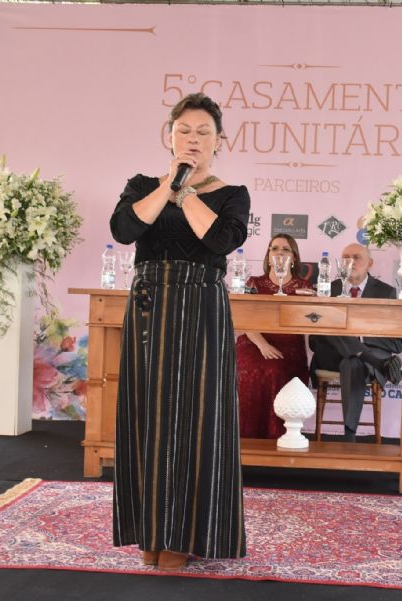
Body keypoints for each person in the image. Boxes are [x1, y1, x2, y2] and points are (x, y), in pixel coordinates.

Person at [109, 93, 248, 570]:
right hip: (149, 309)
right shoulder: (142, 185)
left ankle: (184, 536)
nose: (192, 139)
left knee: (194, 418)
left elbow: (220, 240)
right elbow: (125, 230)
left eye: (203, 132)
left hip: (200, 310)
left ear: (219, 141)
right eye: (184, 130)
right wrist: (169, 184)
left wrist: (187, 193)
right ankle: (149, 531)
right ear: (168, 136)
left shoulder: (232, 194)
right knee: (147, 417)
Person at [308, 243, 402, 443]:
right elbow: (314, 339)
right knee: (332, 324)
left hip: (363, 362)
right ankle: (377, 363)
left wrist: (361, 340)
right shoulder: (327, 289)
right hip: (331, 356)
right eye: (346, 257)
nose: (350, 262)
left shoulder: (386, 292)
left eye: (356, 257)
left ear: (370, 263)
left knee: (352, 362)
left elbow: (396, 343)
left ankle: (349, 435)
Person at [236, 234, 312, 439]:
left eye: (286, 249)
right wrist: (262, 345)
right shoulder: (253, 283)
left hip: (290, 346)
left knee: (278, 370)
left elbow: (310, 320)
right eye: (274, 248)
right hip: (254, 342)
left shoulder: (305, 287)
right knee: (257, 369)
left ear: (294, 257)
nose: (279, 253)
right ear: (268, 256)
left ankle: (278, 437)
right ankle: (245, 438)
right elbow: (244, 317)